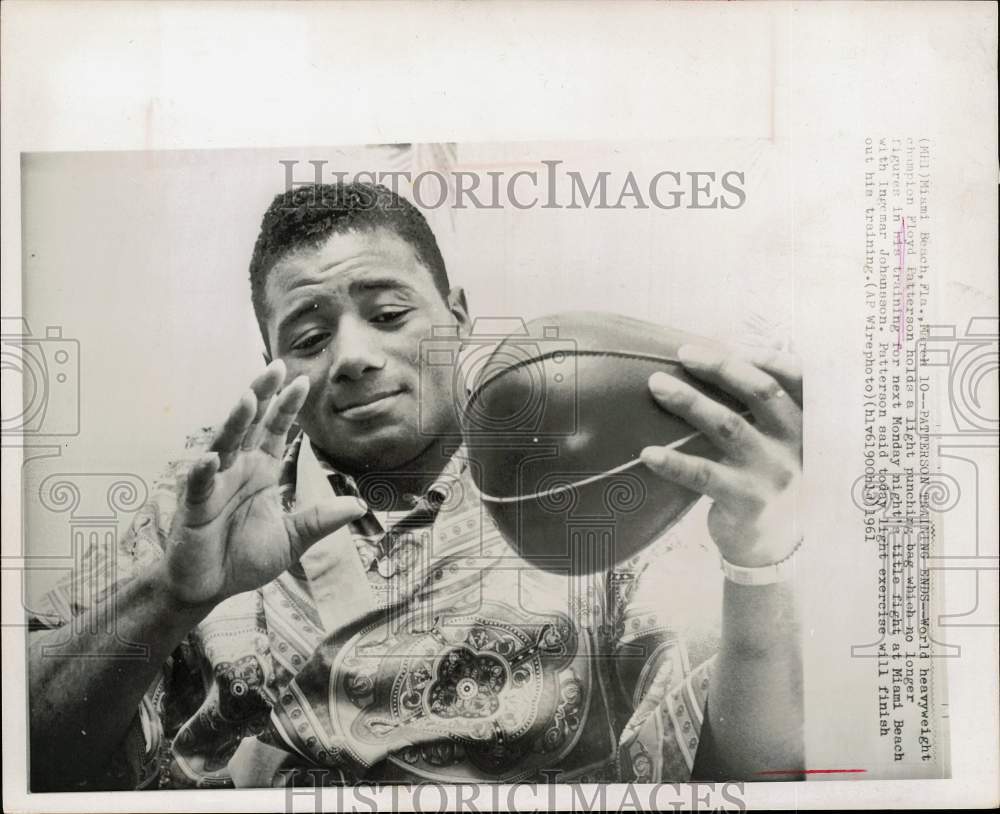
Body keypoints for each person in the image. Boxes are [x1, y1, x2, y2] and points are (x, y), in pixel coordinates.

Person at [28, 182, 804, 791]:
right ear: (272, 362)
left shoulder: (585, 485)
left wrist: (758, 558)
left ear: (458, 318)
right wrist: (171, 596)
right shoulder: (207, 503)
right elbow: (22, 756)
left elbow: (749, 780)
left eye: (389, 313)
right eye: (307, 337)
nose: (354, 355)